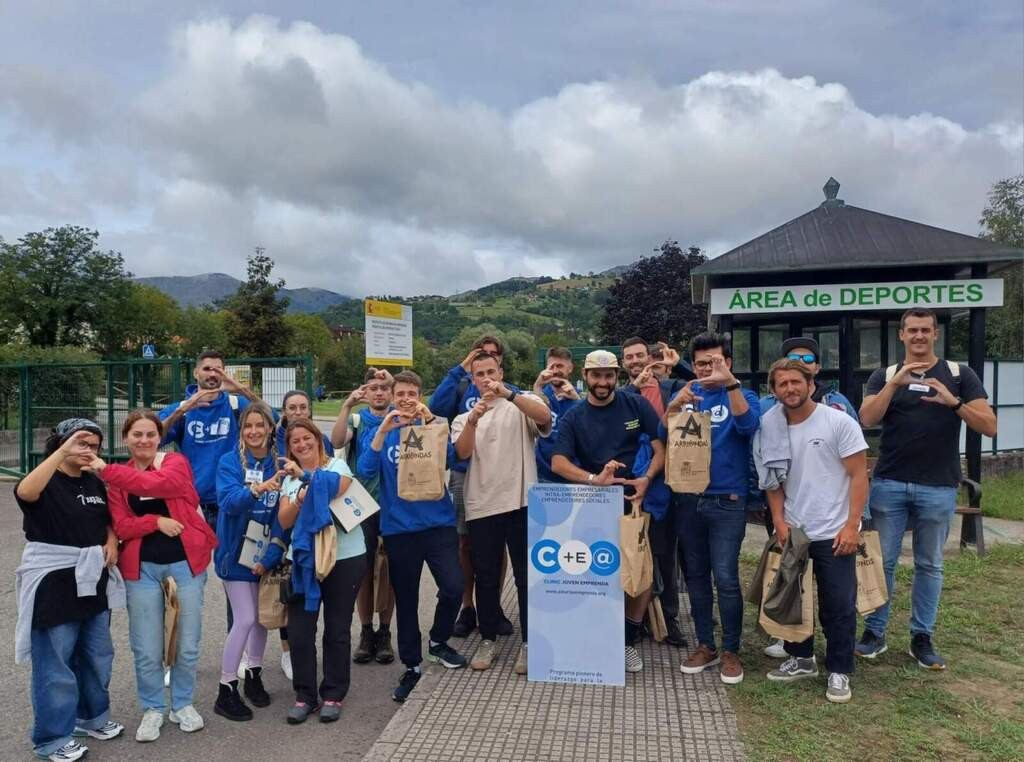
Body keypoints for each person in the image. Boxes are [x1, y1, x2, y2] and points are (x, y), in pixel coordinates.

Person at [856, 308, 996, 669]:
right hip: (889, 483)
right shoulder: (885, 375)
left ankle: (922, 637)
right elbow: (866, 419)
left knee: (930, 564)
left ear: (935, 334)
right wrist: (894, 383)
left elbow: (989, 427)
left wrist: (954, 402)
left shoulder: (959, 375)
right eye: (912, 331)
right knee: (883, 562)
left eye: (925, 330)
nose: (919, 336)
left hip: (938, 485)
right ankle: (875, 632)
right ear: (901, 336)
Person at [90, 410, 217, 743]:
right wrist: (155, 523)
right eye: (137, 435)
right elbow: (122, 525)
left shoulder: (175, 464)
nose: (144, 440)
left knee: (187, 644)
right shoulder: (119, 478)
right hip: (141, 569)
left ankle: (182, 704)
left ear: (160, 438)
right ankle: (152, 708)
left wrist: (109, 471)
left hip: (185, 566)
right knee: (146, 647)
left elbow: (162, 484)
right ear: (126, 439)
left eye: (150, 434)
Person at [758, 359, 869, 703]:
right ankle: (801, 657)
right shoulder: (770, 426)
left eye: (795, 382)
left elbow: (859, 475)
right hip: (795, 528)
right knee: (793, 597)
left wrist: (852, 525)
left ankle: (838, 670)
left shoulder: (837, 422)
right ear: (773, 390)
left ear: (810, 384)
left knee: (838, 603)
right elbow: (772, 480)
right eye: (781, 384)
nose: (789, 389)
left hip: (834, 529)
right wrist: (778, 520)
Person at [15, 419, 125, 762]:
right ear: (61, 443)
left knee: (96, 654)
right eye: (80, 442)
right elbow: (25, 493)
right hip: (54, 582)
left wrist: (111, 540)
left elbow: (106, 518)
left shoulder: (94, 480)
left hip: (92, 578)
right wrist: (63, 450)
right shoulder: (46, 478)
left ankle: (90, 718)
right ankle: (51, 738)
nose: (87, 450)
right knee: (55, 663)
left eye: (93, 444)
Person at [551, 350, 665, 674]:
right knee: (593, 573)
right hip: (590, 504)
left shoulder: (635, 404)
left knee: (639, 572)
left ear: (616, 376)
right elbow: (558, 462)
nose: (603, 382)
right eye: (597, 376)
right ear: (586, 376)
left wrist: (647, 477)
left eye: (609, 375)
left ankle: (627, 641)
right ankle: (594, 639)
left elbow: (661, 447)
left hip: (632, 500)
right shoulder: (574, 416)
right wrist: (592, 480)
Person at [358, 370, 467, 703]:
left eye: (412, 393)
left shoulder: (432, 425)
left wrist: (431, 421)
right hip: (399, 530)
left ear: (420, 395)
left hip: (438, 524)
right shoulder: (382, 430)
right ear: (392, 396)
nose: (406, 399)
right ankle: (412, 665)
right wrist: (381, 433)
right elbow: (365, 471)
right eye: (400, 393)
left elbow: (452, 457)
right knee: (405, 600)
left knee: (453, 587)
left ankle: (437, 641)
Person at [668, 332, 761, 685]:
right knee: (695, 577)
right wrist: (675, 405)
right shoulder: (689, 396)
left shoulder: (742, 393)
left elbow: (748, 425)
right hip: (688, 499)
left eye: (715, 362)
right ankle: (705, 644)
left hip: (727, 500)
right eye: (702, 363)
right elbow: (666, 434)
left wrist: (731, 384)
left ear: (727, 362)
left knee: (725, 577)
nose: (708, 369)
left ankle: (731, 650)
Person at [453, 352, 552, 674]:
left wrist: (509, 393)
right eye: (479, 374)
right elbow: (462, 452)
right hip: (482, 505)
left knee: (525, 576)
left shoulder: (519, 403)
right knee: (486, 576)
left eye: (490, 372)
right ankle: (489, 637)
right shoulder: (464, 416)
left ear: (501, 372)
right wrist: (472, 420)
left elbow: (545, 418)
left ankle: (528, 642)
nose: (485, 379)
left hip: (521, 501)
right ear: (472, 379)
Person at [277, 419, 367, 724]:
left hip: (345, 557)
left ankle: (333, 693)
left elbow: (335, 488)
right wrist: (301, 495)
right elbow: (285, 520)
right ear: (289, 447)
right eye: (295, 441)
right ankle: (305, 696)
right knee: (300, 633)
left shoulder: (338, 467)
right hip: (304, 562)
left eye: (307, 438)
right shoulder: (288, 480)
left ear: (318, 439)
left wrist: (305, 479)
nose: (302, 445)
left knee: (337, 630)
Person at [429, 335, 516, 639]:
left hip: (500, 474)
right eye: (480, 357)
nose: (486, 364)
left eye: (492, 357)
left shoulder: (507, 391)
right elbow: (436, 406)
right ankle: (468, 607)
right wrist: (461, 369)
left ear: (500, 363)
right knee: (465, 542)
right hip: (466, 472)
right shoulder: (465, 385)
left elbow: (529, 408)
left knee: (497, 545)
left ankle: (493, 608)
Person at [620, 338, 693, 647]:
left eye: (640, 355)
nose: (636, 361)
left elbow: (701, 384)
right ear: (623, 363)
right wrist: (634, 387)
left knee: (663, 552)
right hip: (628, 481)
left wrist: (678, 363)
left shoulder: (671, 387)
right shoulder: (621, 392)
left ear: (650, 357)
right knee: (630, 550)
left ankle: (670, 617)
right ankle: (630, 619)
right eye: (630, 357)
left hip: (664, 480)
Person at [213, 403, 283, 721]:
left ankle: (254, 674)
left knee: (260, 619)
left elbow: (283, 514)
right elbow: (228, 503)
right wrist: (257, 490)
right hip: (234, 554)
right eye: (247, 426)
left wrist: (271, 556)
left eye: (260, 425)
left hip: (264, 555)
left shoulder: (279, 463)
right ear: (241, 431)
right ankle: (226, 688)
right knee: (243, 619)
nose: (254, 431)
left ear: (270, 428)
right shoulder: (230, 462)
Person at [332, 368, 396, 666]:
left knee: (390, 573)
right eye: (374, 388)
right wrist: (347, 406)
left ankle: (385, 632)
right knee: (363, 570)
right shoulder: (358, 421)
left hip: (395, 505)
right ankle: (366, 631)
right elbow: (335, 441)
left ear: (392, 392)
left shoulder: (400, 417)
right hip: (362, 506)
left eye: (385, 387)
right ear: (366, 393)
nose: (379, 392)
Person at [158, 350, 257, 531]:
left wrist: (242, 389)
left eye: (218, 370)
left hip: (230, 500)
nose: (212, 374)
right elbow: (153, 439)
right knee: (198, 559)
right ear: (196, 373)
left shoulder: (237, 405)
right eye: (207, 369)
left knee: (229, 559)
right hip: (193, 504)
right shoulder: (181, 410)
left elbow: (272, 419)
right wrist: (180, 412)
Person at [758, 337, 857, 418]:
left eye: (808, 359)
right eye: (793, 358)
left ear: (817, 368)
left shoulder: (837, 402)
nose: (800, 362)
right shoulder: (766, 406)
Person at [532, 347, 582, 484]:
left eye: (560, 366)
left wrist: (576, 399)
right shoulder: (539, 396)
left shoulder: (581, 399)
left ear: (570, 368)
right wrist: (537, 386)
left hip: (575, 476)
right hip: (543, 476)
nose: (555, 371)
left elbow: (590, 430)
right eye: (551, 366)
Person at [277, 390, 334, 459]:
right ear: (284, 412)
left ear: (309, 411)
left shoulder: (322, 439)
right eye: (292, 408)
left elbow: (331, 466)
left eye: (303, 407)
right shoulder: (273, 441)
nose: (298, 412)